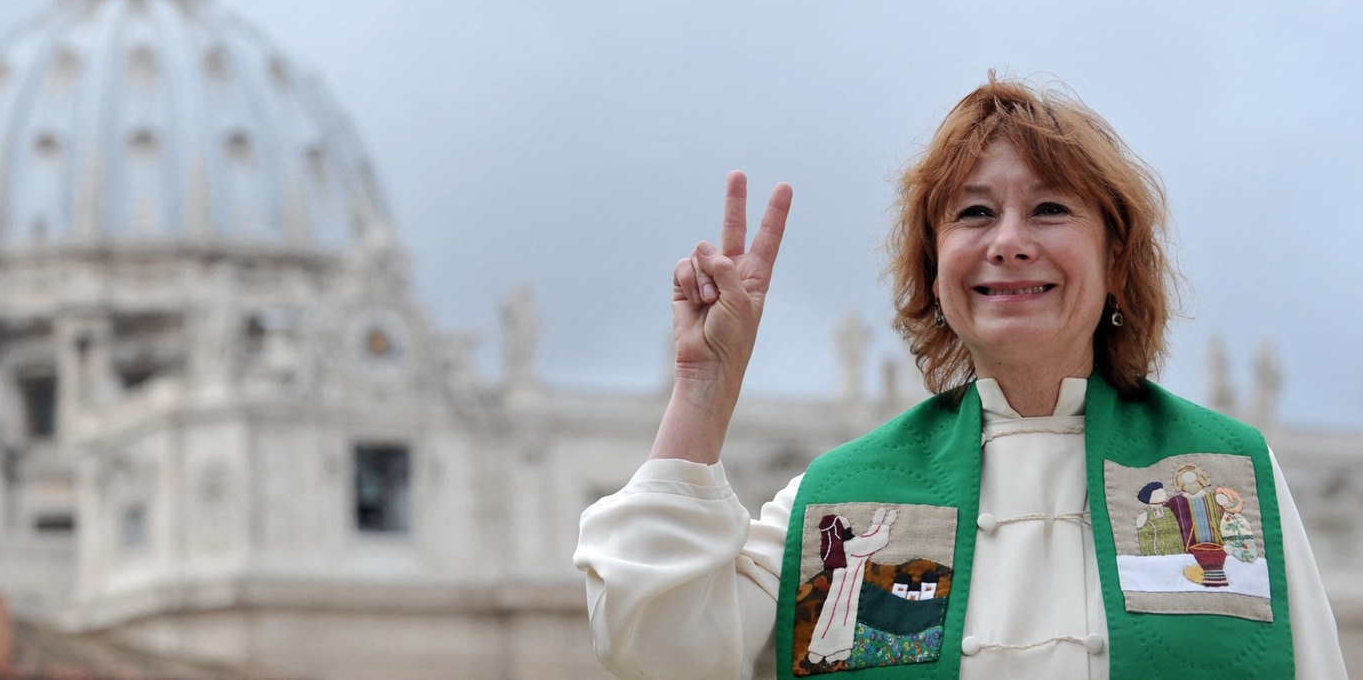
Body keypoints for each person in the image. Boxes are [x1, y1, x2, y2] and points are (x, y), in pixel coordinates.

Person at [574, 76, 1347, 679]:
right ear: (935, 269)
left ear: (1115, 260)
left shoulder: (1224, 475)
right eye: (974, 214)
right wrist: (702, 390)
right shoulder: (842, 500)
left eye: (1048, 209)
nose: (1009, 243)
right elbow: (657, 644)